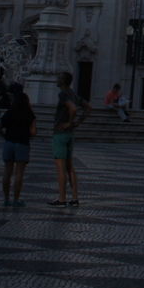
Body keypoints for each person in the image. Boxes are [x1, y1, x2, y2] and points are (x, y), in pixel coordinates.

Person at [49, 71, 90, 207]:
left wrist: (69, 122)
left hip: (61, 133)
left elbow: (72, 109)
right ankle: (75, 197)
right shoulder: (74, 94)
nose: (56, 79)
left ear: (63, 81)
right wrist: (78, 123)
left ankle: (62, 198)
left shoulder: (63, 94)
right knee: (70, 167)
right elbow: (88, 108)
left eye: (58, 77)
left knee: (60, 168)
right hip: (70, 135)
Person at [0, 83, 37, 206]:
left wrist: (5, 137)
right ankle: (16, 199)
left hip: (9, 142)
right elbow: (33, 131)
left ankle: (6, 199)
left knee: (7, 171)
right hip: (23, 143)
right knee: (19, 172)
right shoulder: (30, 114)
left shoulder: (9, 112)